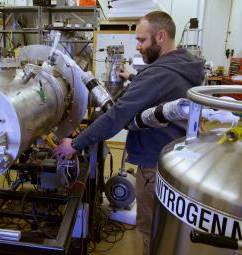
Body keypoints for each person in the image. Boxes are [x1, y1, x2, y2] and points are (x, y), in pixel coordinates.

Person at [53, 11, 205, 255]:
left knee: (150, 229)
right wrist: (136, 78)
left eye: (142, 40)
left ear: (162, 37)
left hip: (155, 167)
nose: (138, 47)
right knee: (168, 230)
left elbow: (117, 115)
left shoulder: (157, 74)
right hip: (178, 161)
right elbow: (160, 90)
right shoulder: (187, 64)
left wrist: (75, 143)